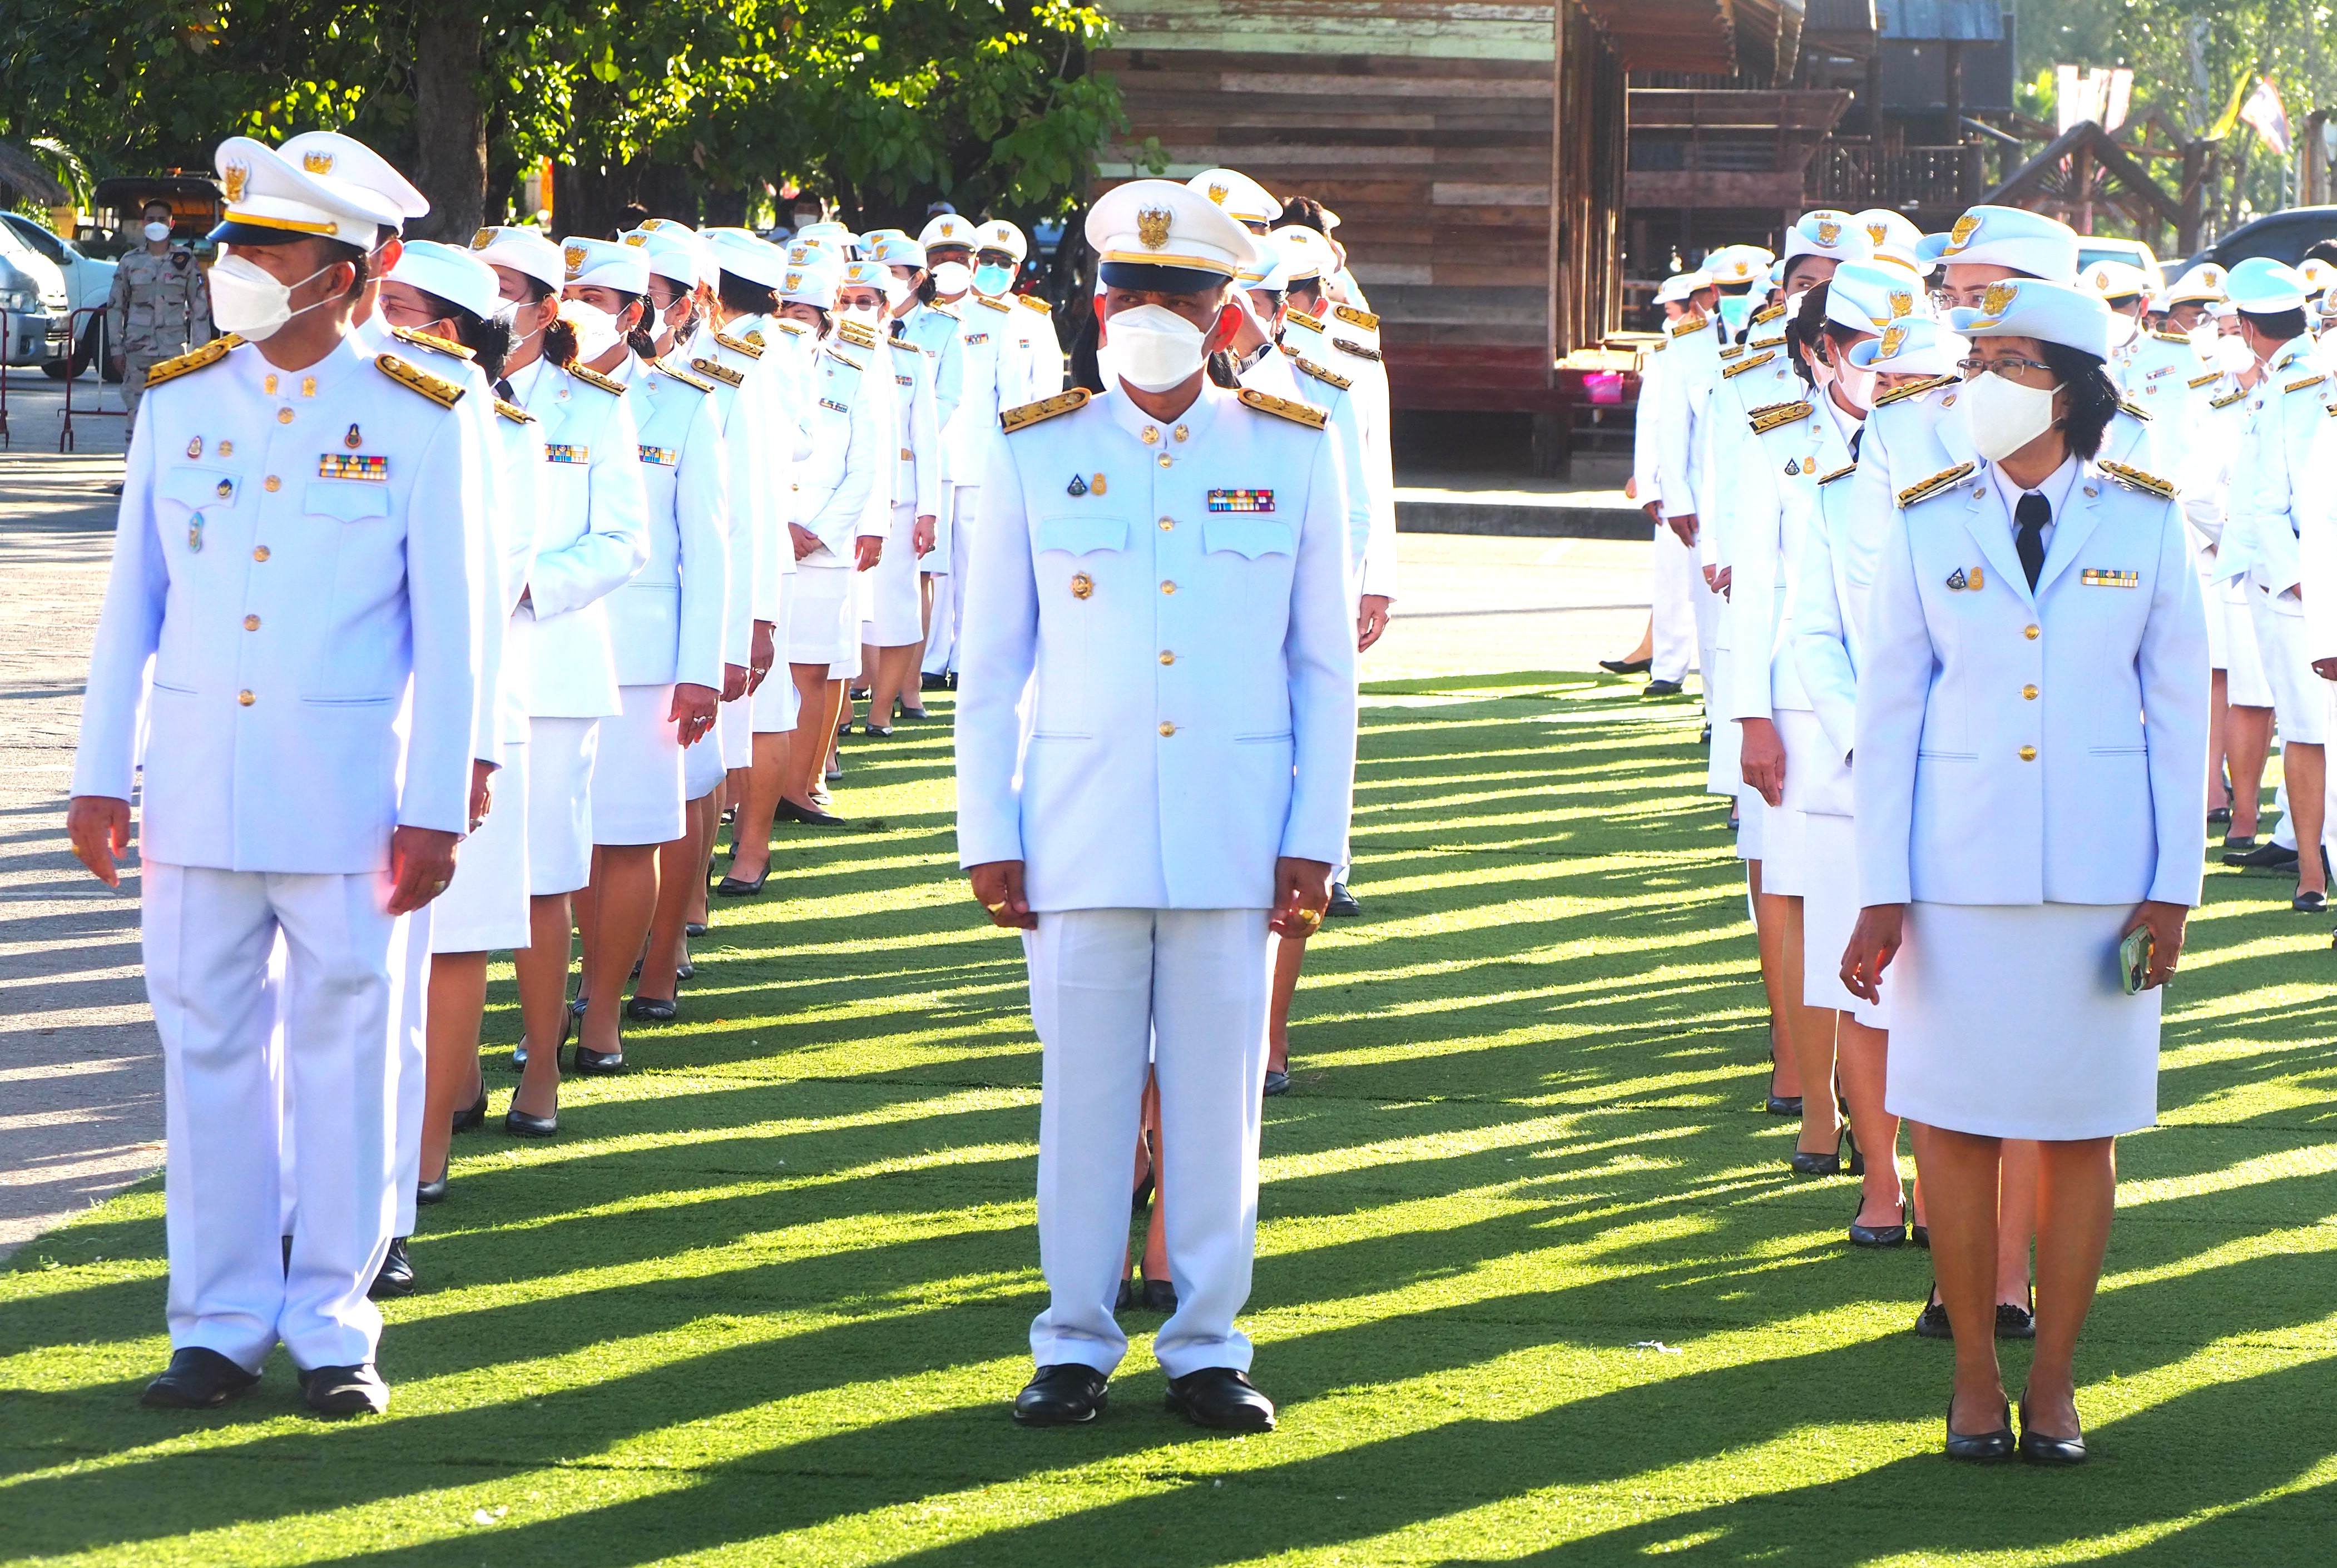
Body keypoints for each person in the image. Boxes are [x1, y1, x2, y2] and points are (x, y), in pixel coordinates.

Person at [66, 135, 485, 1416]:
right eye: (230, 245)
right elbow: (131, 606)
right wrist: (101, 772)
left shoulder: (424, 413)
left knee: (349, 1050)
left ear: (349, 274)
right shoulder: (183, 400)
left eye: (266, 249)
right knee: (207, 1053)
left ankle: (333, 1321)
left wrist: (437, 798)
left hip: (348, 792)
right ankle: (218, 1317)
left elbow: (458, 624)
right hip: (197, 783)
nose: (233, 268)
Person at [958, 178, 1356, 1432]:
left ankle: (1206, 1343)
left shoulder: (1290, 444)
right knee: (1079, 1098)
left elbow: (1322, 666)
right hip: (1074, 824)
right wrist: (987, 828)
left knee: (1216, 1098)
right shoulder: (1035, 442)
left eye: (1180, 294)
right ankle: (1071, 1341)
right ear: (1095, 301)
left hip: (1236, 830)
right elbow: (993, 663)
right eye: (1129, 291)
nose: (1150, 312)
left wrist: (1316, 835)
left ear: (1226, 312)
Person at [1842, 276, 2207, 1463]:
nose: (1978, 384)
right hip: (1956, 877)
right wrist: (1880, 887)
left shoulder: (2146, 518)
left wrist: (2175, 887)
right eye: (1976, 359)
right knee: (1950, 1122)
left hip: (2101, 884)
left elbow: (2176, 715)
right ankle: (1969, 1376)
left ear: (2069, 385)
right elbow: (1890, 711)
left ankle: (2052, 1381)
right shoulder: (1927, 512)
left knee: (2079, 1131)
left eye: (2005, 361)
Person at [472, 224, 649, 1123]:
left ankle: (538, 1070)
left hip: (548, 668)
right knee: (450, 877)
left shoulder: (593, 407)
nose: (494, 303)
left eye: (508, 288)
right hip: (449, 675)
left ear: (545, 311)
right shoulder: (428, 397)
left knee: (543, 877)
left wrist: (528, 585)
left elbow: (622, 541)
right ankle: (453, 1076)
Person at [378, 240, 542, 1208]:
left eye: (394, 303)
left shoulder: (495, 430)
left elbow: (485, 597)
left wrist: (471, 752)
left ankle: (421, 1165)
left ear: (444, 331)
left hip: (465, 723)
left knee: (448, 948)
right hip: (350, 734)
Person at [560, 237, 729, 1053]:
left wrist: (702, 671)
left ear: (633, 315)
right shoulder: (535, 398)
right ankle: (560, 999)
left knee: (625, 837)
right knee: (563, 846)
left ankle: (600, 1014)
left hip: (642, 661)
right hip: (549, 648)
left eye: (592, 298)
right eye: (567, 293)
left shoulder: (685, 404)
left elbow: (708, 545)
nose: (573, 309)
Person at [2212, 257, 2334, 911]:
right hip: (2293, 589)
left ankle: (2314, 870)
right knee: (2305, 731)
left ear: (2249, 329)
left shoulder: (2296, 387)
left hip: (2299, 594)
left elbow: (2274, 501)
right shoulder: (2292, 380)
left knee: (2309, 733)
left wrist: (2298, 589)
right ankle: (2311, 870)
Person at [836, 257, 941, 736]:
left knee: (895, 610)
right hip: (838, 499)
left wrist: (929, 511)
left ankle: (881, 712)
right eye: (846, 301)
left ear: (884, 308)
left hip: (899, 500)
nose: (854, 309)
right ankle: (839, 713)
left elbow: (927, 440)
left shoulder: (909, 358)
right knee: (843, 611)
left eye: (865, 302)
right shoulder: (824, 355)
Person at [107, 197, 215, 436]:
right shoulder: (130, 261)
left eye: (162, 220)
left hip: (172, 351)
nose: (156, 224)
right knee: (137, 414)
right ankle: (135, 468)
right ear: (143, 223)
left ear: (171, 224)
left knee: (173, 414)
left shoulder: (185, 261)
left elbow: (199, 309)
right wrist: (116, 348)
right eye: (151, 219)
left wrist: (201, 353)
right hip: (137, 352)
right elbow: (115, 307)